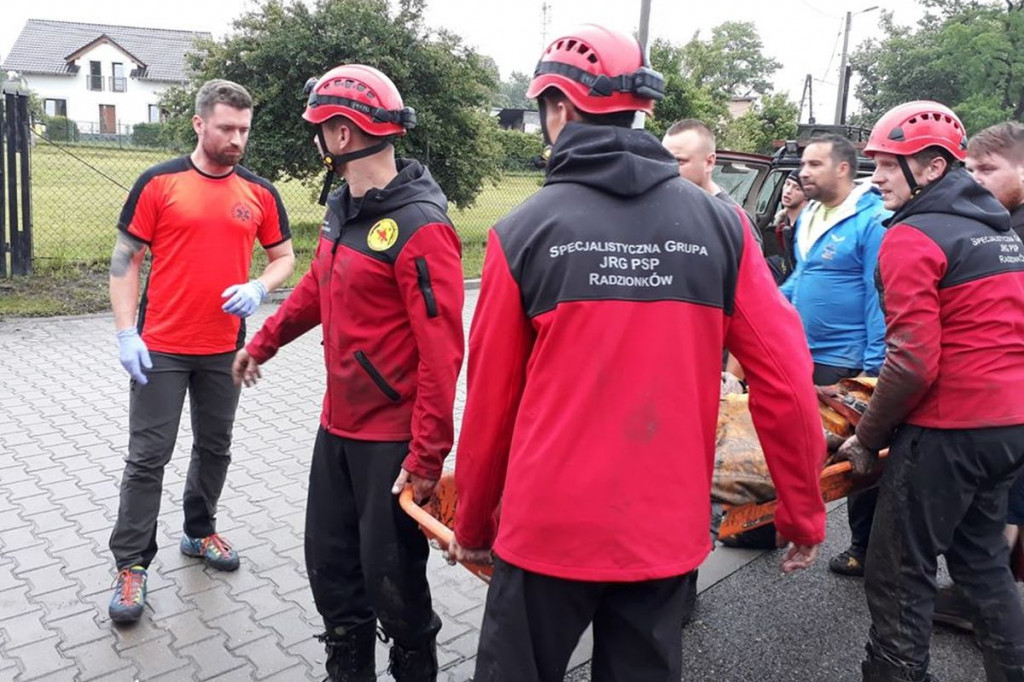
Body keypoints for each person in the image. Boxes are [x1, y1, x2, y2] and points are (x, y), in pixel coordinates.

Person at [447, 24, 827, 682]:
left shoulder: (523, 232)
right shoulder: (722, 227)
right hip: (662, 532)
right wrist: (801, 508)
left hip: (546, 530)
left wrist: (475, 522)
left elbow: (491, 402)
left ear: (560, 108)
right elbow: (788, 379)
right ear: (638, 112)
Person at [232, 64, 464, 682]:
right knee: (331, 568)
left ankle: (414, 665)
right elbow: (317, 284)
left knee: (393, 581)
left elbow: (443, 354)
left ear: (340, 135)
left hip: (391, 442)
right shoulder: (345, 207)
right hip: (336, 428)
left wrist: (426, 456)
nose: (317, 141)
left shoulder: (421, 227)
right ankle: (348, 665)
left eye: (319, 130)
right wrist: (265, 343)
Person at [838, 100, 1024, 682]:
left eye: (888, 164)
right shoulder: (999, 233)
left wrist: (868, 436)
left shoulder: (913, 236)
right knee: (983, 561)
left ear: (934, 167)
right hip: (1009, 427)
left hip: (948, 430)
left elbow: (913, 361)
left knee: (898, 571)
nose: (876, 177)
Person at [107, 79, 295, 623]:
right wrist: (126, 332)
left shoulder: (259, 193)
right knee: (148, 458)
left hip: (224, 349)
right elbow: (124, 261)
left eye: (244, 130)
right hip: (160, 348)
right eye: (226, 128)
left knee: (216, 447)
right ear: (199, 123)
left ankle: (199, 530)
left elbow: (284, 257)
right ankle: (131, 564)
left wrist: (260, 286)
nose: (237, 139)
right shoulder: (159, 182)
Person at [927, 120, 1024, 633]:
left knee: (1003, 509)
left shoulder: (1012, 232)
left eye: (988, 169)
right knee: (999, 509)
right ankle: (983, 595)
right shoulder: (999, 223)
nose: (976, 180)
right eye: (970, 169)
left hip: (1002, 400)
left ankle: (978, 600)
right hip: (1004, 399)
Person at [780, 133, 888, 578]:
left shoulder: (872, 219)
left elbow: (877, 294)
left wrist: (873, 368)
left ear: (843, 168)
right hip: (799, 353)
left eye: (814, 164)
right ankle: (773, 526)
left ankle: (865, 547)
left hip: (846, 358)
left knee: (854, 458)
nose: (803, 172)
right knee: (796, 444)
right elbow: (802, 276)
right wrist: (766, 307)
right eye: (803, 164)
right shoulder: (810, 214)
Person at [662, 118, 764, 250]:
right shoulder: (665, 209)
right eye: (664, 160)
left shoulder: (735, 222)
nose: (668, 168)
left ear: (709, 162)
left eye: (679, 161)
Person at [767, 169, 807, 279]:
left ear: (806, 196)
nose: (788, 191)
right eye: (787, 184)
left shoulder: (808, 227)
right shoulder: (782, 225)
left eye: (797, 188)